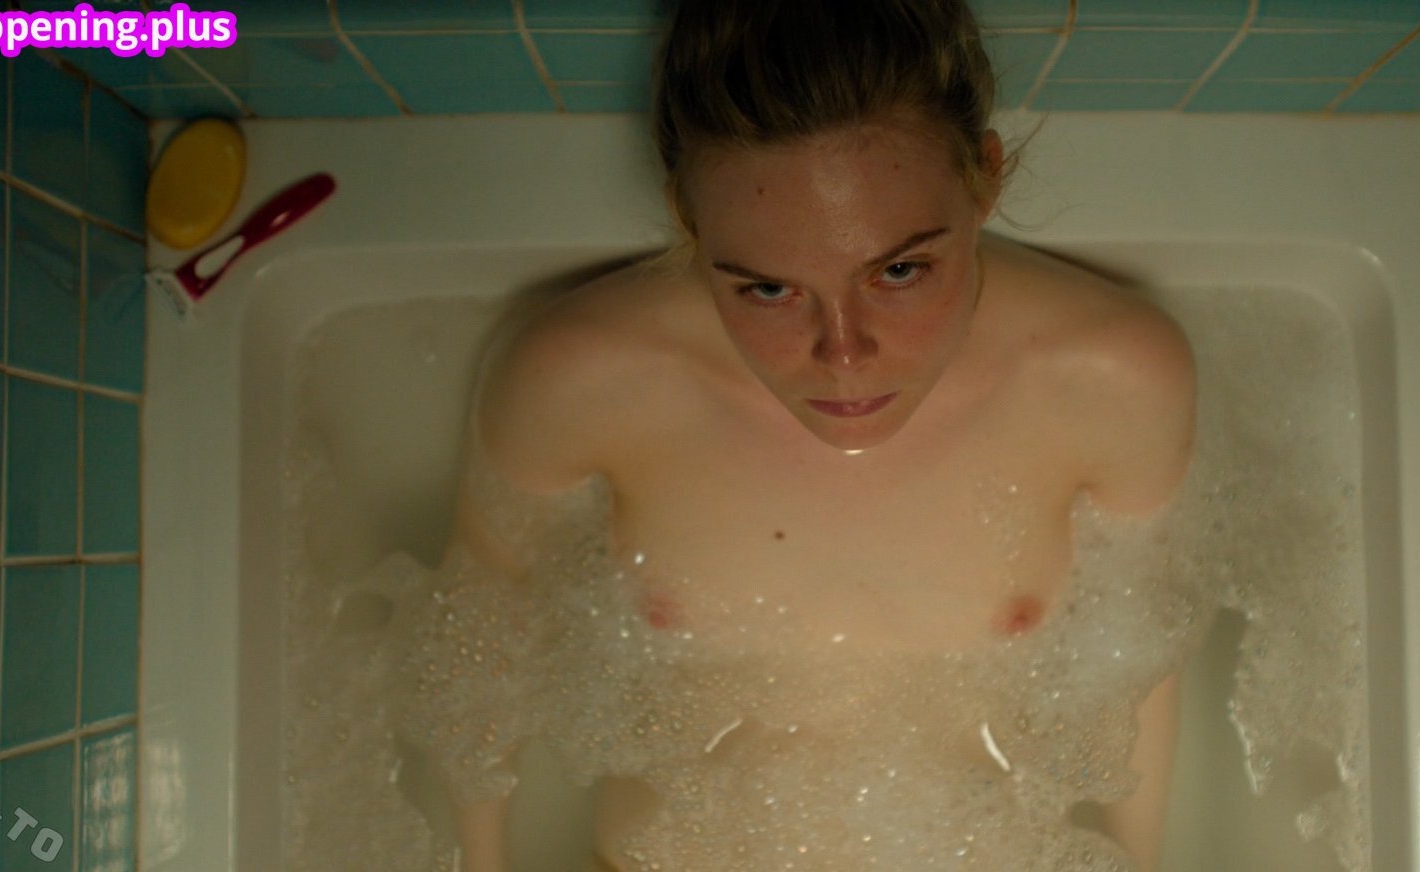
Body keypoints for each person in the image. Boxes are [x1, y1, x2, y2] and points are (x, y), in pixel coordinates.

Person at [422, 0, 1196, 868]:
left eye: (899, 270)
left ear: (984, 179)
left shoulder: (1110, 379)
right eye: (767, 289)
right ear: (687, 215)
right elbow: (477, 644)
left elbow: (1143, 666)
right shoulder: (583, 380)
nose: (843, 356)